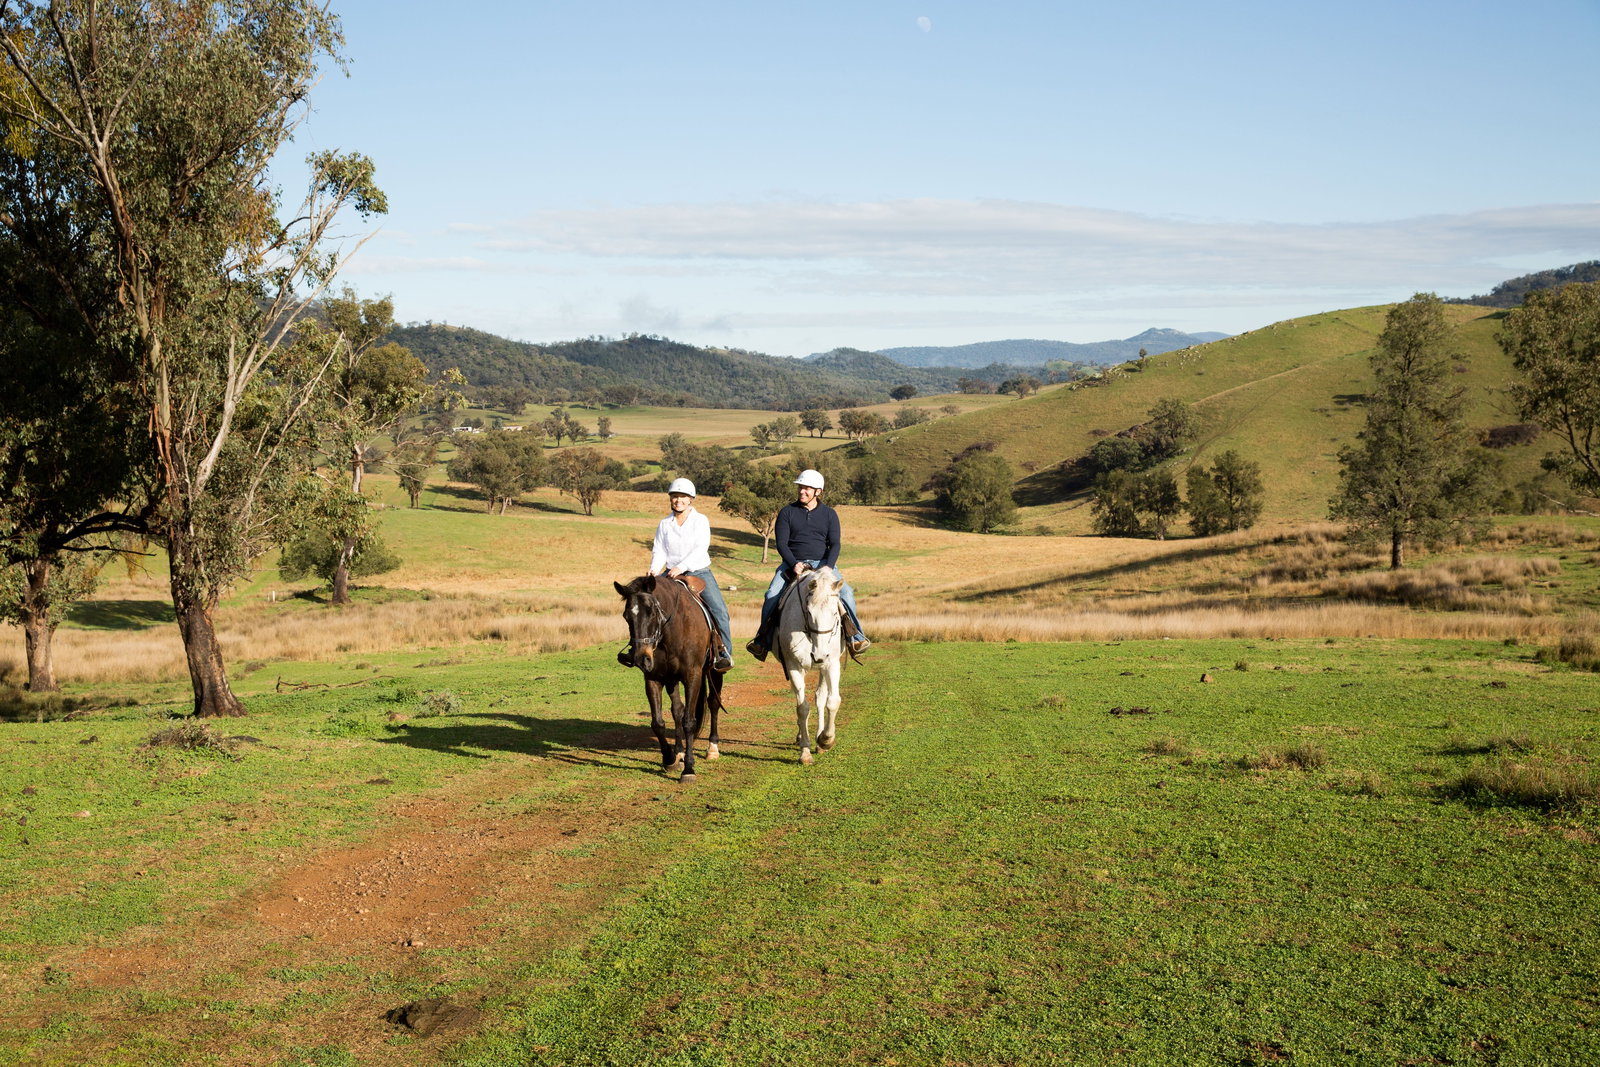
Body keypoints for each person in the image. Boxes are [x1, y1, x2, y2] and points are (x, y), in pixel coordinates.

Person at [745, 468, 870, 661]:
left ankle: (855, 638)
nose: (802, 491)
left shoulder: (829, 514)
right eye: (800, 487)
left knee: (847, 593)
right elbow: (782, 544)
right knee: (771, 594)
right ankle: (762, 641)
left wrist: (828, 566)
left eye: (807, 488)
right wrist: (793, 564)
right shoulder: (787, 512)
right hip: (792, 564)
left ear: (818, 491)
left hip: (823, 565)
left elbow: (835, 543)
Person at [619, 478, 734, 672]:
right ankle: (637, 648)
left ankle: (724, 654)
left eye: (682, 497)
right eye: (674, 497)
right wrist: (655, 570)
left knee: (720, 610)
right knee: (645, 606)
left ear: (691, 499)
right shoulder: (665, 524)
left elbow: (700, 548)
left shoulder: (700, 521)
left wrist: (681, 567)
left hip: (698, 571)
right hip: (670, 574)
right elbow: (659, 550)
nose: (678, 500)